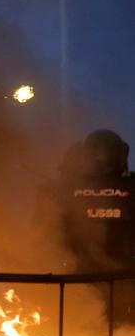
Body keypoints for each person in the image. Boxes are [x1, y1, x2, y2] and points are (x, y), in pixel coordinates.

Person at [59, 130, 135, 325]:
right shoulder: (64, 190)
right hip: (105, 282)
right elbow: (49, 235)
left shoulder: (65, 190)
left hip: (86, 284)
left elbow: (48, 236)